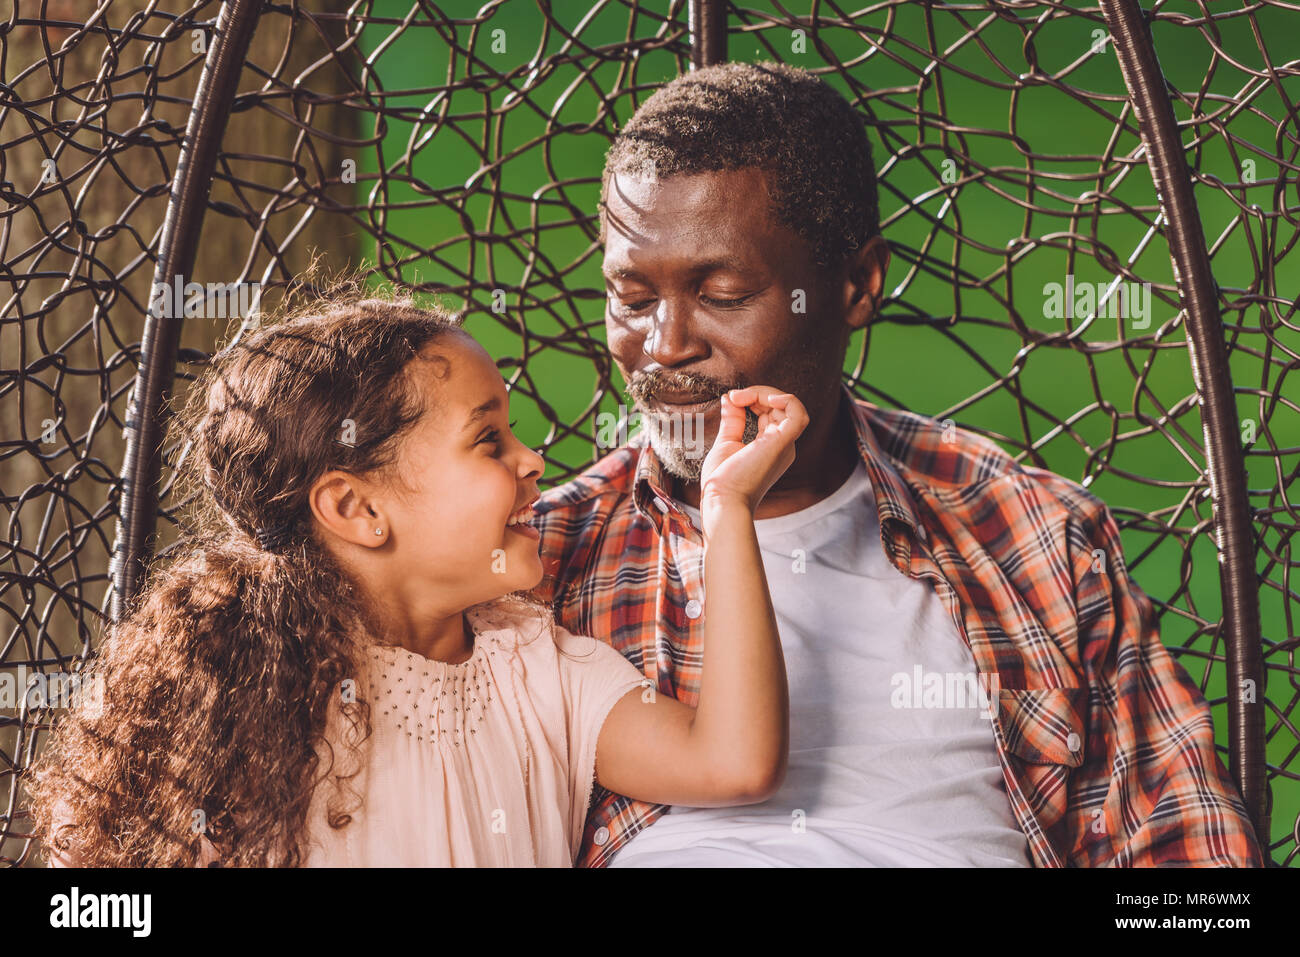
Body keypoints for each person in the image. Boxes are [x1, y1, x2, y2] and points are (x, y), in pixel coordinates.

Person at [529, 60, 1265, 867]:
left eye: (724, 293)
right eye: (632, 298)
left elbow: (1199, 869)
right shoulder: (540, 563)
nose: (665, 346)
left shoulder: (1031, 535)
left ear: (855, 284)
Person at [25, 285, 808, 867]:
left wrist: (728, 503)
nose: (533, 460)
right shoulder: (238, 701)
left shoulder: (542, 670)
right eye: (489, 440)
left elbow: (734, 761)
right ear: (356, 507)